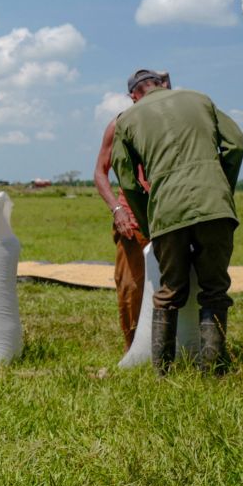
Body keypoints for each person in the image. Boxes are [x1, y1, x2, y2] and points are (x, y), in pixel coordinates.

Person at [110, 71, 243, 375]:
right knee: (214, 290)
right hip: (215, 205)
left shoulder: (128, 120)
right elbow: (236, 143)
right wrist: (222, 186)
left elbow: (127, 179)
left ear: (135, 94)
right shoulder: (200, 99)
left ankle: (163, 373)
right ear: (161, 84)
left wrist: (148, 223)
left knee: (169, 291)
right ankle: (213, 370)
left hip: (167, 211)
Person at [93, 70, 169, 350]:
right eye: (143, 89)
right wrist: (117, 209)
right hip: (132, 218)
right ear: (133, 96)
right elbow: (100, 173)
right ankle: (133, 348)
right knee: (131, 286)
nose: (149, 93)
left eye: (155, 87)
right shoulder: (120, 124)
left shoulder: (170, 120)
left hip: (169, 213)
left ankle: (169, 343)